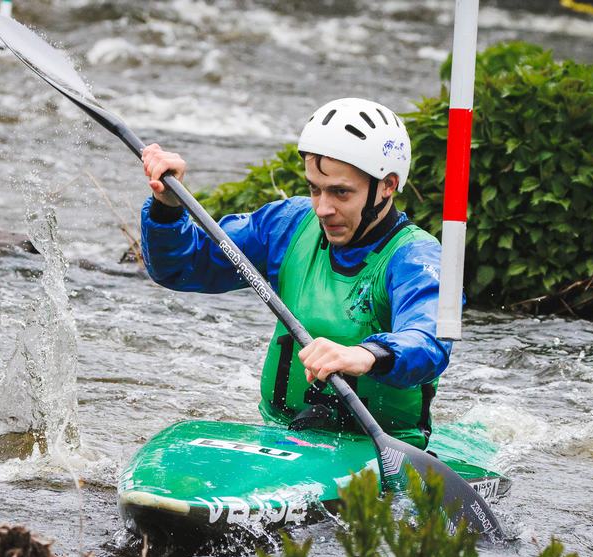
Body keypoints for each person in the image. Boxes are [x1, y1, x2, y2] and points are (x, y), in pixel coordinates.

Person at [139, 97, 452, 448]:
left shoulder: (415, 257)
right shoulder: (288, 225)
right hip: (282, 435)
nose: (323, 208)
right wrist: (167, 210)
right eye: (315, 189)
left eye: (341, 193)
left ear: (388, 185)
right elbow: (182, 268)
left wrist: (365, 355)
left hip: (382, 446)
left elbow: (429, 342)